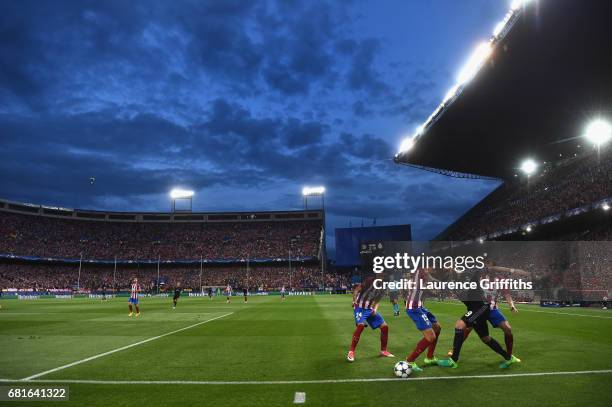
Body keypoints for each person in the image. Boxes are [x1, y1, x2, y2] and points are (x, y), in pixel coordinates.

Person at [438, 266, 520, 369]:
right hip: (476, 309)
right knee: (485, 338)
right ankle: (508, 357)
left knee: (460, 325)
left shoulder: (470, 277)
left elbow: (481, 269)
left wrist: (510, 270)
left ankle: (453, 360)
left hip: (481, 308)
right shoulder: (454, 286)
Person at [347, 276, 394, 362]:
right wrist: (354, 301)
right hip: (359, 308)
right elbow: (357, 290)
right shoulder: (370, 280)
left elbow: (377, 300)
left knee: (385, 327)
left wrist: (375, 309)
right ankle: (351, 352)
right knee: (360, 326)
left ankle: (383, 351)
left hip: (369, 309)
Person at [404, 268, 442, 372]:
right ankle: (410, 360)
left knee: (437, 328)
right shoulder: (421, 270)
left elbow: (424, 287)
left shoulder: (422, 273)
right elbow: (430, 279)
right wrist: (441, 283)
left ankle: (429, 358)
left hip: (420, 306)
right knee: (430, 337)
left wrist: (435, 292)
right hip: (414, 308)